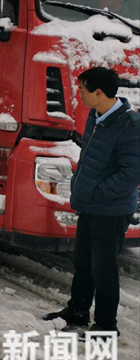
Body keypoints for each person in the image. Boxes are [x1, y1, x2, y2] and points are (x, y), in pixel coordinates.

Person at [44, 67, 140, 336]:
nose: (79, 95)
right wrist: (80, 186)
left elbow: (132, 174)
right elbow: (88, 157)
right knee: (83, 262)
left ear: (98, 92)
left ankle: (106, 326)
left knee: (104, 269)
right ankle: (77, 311)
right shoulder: (96, 116)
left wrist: (96, 192)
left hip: (110, 210)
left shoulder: (130, 125)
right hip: (90, 204)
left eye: (83, 90)